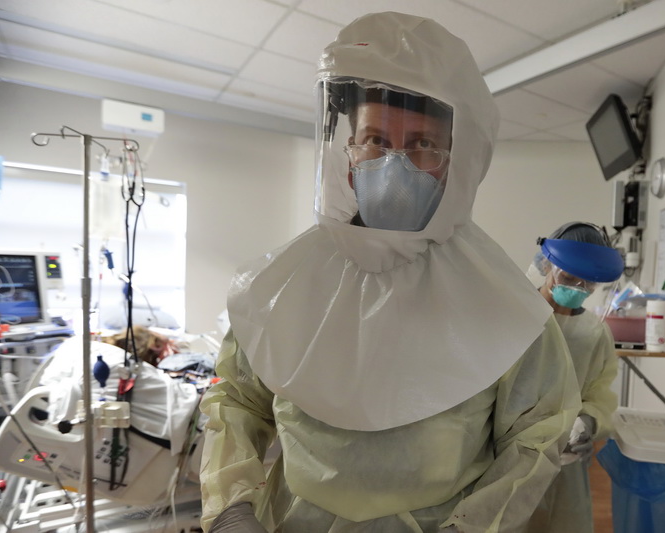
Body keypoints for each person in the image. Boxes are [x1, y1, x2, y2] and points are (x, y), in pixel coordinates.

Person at [200, 12, 580, 533]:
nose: (393, 164)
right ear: (347, 151)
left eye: (422, 144)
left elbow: (537, 437)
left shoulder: (503, 306)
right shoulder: (281, 286)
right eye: (375, 140)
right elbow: (237, 401)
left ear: (457, 158)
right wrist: (231, 507)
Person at [524, 222, 624, 533]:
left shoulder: (594, 333)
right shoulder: (518, 318)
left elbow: (601, 394)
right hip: (509, 454)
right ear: (545, 264)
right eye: (568, 277)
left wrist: (589, 423)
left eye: (588, 284)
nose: (577, 289)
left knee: (565, 522)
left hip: (564, 458)